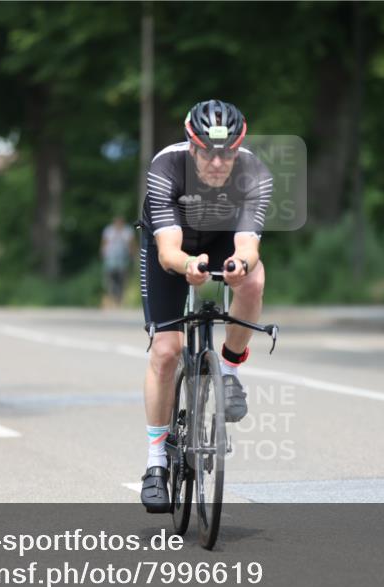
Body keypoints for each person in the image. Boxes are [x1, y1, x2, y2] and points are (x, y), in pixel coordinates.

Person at [137, 99, 272, 513]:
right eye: (208, 151)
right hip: (172, 246)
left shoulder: (254, 174)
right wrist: (187, 266)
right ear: (191, 145)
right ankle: (156, 463)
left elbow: (248, 245)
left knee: (254, 278)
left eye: (228, 152)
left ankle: (229, 373)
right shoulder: (165, 168)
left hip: (219, 241)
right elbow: (168, 253)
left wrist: (238, 264)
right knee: (166, 350)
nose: (218, 161)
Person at [99, 216, 135, 307]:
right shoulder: (108, 230)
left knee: (122, 280)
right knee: (110, 280)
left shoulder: (127, 231)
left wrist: (132, 254)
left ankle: (120, 299)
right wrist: (102, 252)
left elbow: (131, 244)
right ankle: (112, 299)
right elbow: (104, 243)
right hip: (110, 259)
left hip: (123, 259)